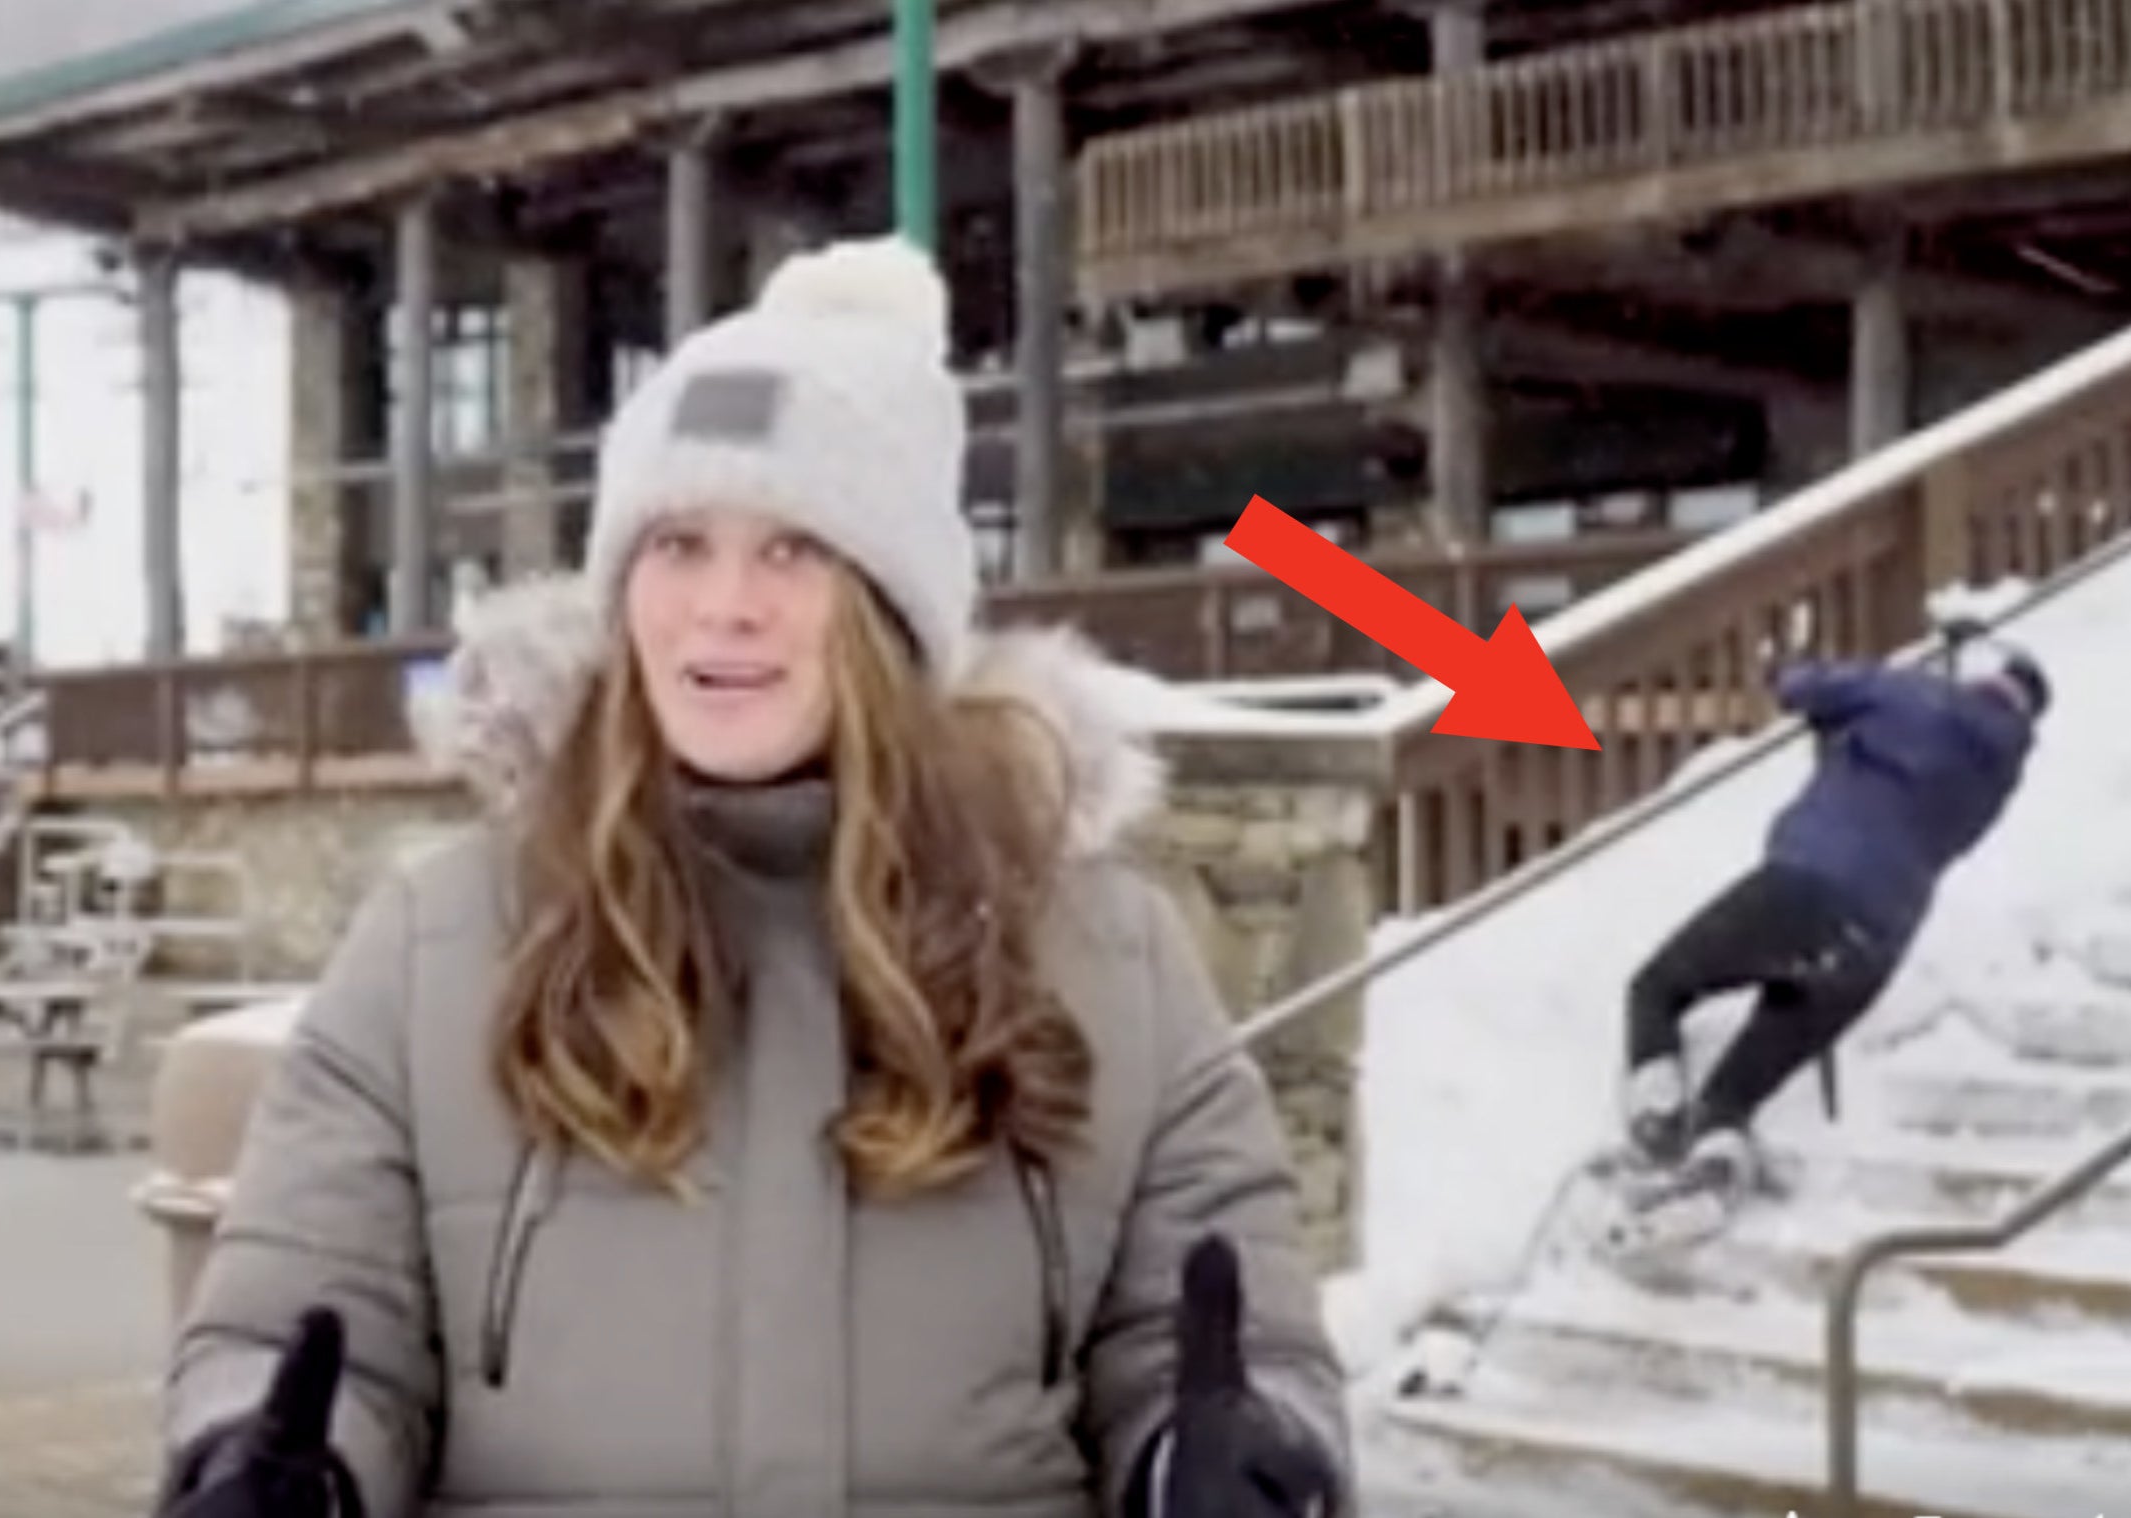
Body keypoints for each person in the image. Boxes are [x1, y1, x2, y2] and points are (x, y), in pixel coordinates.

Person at [152, 236, 1350, 1518]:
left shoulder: (1109, 960)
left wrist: (1217, 1463)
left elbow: (1221, 1352)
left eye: (792, 550)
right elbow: (305, 1329)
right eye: (678, 544)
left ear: (890, 610)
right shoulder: (432, 946)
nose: (724, 606)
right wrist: (281, 1469)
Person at [1621, 632, 2049, 1200]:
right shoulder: (1997, 776)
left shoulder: (1909, 693)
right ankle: (1714, 1155)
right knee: (1736, 1090)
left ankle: (1657, 1129)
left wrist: (1784, 672)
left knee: (1656, 988)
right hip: (1878, 940)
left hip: (1807, 886)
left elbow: (1806, 689)